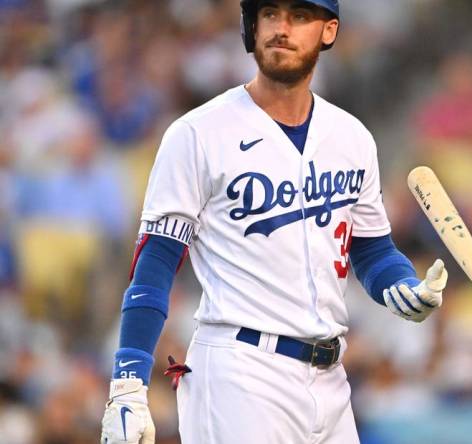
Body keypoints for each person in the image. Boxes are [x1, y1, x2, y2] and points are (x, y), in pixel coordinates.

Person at [99, 1, 448, 442]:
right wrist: (128, 382)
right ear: (251, 26)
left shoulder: (352, 137)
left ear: (328, 30)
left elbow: (372, 249)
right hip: (240, 371)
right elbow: (156, 261)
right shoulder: (197, 134)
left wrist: (400, 286)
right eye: (270, 14)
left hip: (332, 378)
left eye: (300, 16)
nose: (281, 28)